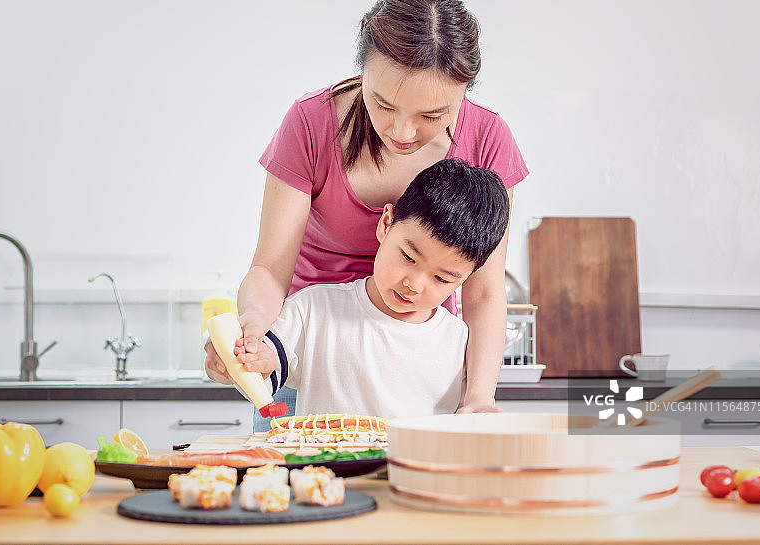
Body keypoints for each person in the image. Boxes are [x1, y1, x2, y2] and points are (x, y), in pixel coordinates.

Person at [204, 0, 528, 426]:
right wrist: (254, 333)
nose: (402, 132)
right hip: (309, 349)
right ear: (362, 70)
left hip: (412, 356)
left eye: (432, 115)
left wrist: (478, 398)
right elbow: (270, 266)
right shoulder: (311, 123)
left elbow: (484, 291)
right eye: (384, 104)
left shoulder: (487, 138)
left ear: (466, 91)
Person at [240, 159, 510, 418]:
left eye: (441, 279)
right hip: (325, 467)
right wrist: (246, 360)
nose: (414, 285)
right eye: (408, 257)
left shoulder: (460, 343)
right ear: (385, 224)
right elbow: (261, 370)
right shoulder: (312, 311)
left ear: (467, 278)